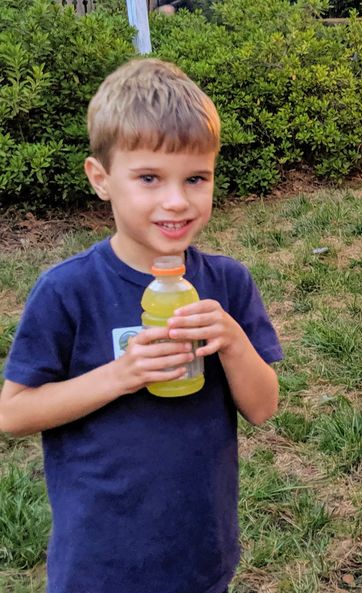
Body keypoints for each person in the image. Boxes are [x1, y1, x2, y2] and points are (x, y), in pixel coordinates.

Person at [0, 58, 282, 593]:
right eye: (149, 178)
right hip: (99, 563)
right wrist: (121, 374)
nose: (176, 201)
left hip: (200, 552)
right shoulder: (67, 291)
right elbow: (12, 413)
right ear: (101, 179)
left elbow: (264, 408)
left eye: (196, 178)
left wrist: (233, 343)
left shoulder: (227, 282)